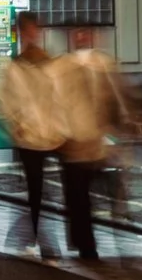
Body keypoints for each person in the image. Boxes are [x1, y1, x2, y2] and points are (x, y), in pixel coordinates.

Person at [51, 38, 136, 263]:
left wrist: (124, 126)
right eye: (78, 32)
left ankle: (121, 241)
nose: (83, 36)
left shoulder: (104, 63)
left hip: (102, 143)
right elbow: (55, 104)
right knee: (80, 200)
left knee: (113, 193)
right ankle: (86, 247)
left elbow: (119, 98)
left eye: (87, 31)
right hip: (75, 144)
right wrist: (62, 135)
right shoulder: (61, 67)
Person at [0, 13, 66, 259]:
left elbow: (58, 98)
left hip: (47, 135)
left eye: (33, 30)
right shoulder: (19, 67)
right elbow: (8, 102)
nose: (31, 34)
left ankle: (29, 238)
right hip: (31, 137)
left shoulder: (43, 64)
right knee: (38, 191)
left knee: (39, 191)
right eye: (27, 30)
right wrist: (18, 125)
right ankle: (45, 244)